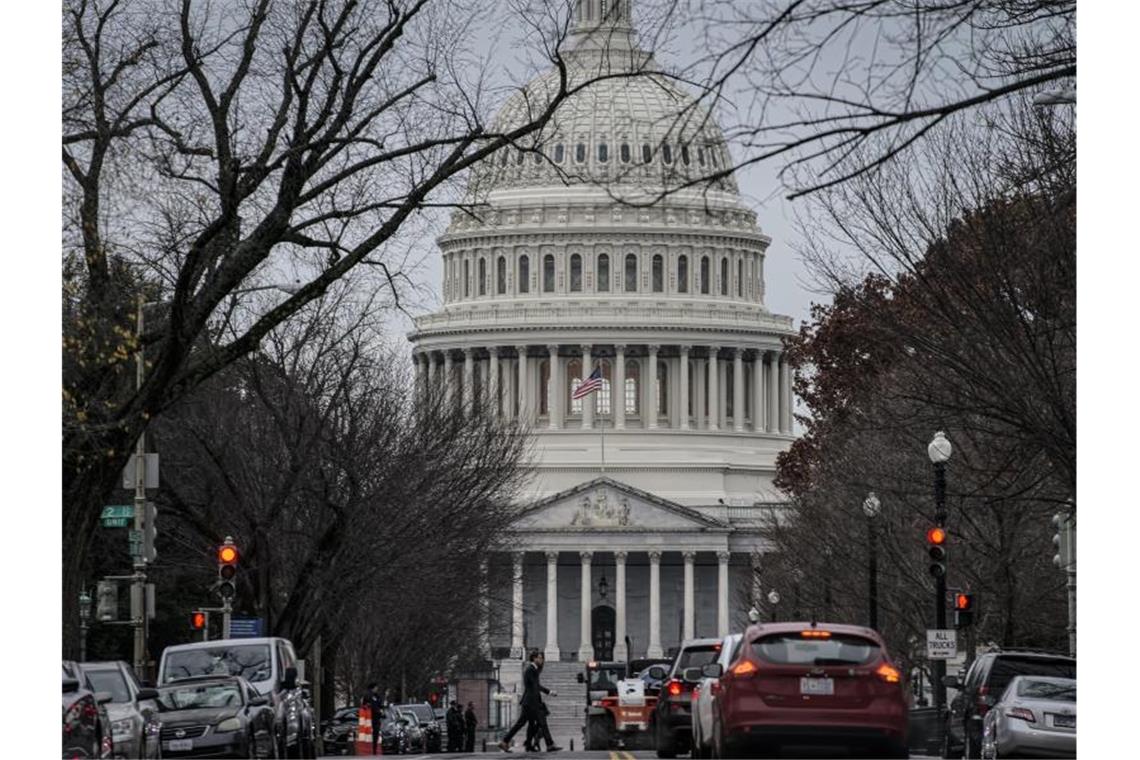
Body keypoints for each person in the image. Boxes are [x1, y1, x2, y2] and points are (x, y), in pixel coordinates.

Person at [499, 651, 561, 753]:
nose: (542, 660)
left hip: (530, 702)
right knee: (542, 723)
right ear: (534, 658)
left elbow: (535, 686)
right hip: (531, 702)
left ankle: (513, 743)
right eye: (540, 658)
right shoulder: (530, 670)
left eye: (542, 658)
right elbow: (535, 686)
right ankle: (549, 744)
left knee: (528, 725)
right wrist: (549, 692)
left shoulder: (534, 670)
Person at [362, 683, 385, 755]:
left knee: (375, 733)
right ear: (373, 688)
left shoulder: (376, 696)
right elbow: (365, 705)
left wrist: (381, 710)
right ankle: (371, 749)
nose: (377, 689)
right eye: (376, 688)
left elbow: (380, 705)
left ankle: (373, 749)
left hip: (374, 717)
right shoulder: (369, 695)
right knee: (373, 733)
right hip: (371, 717)